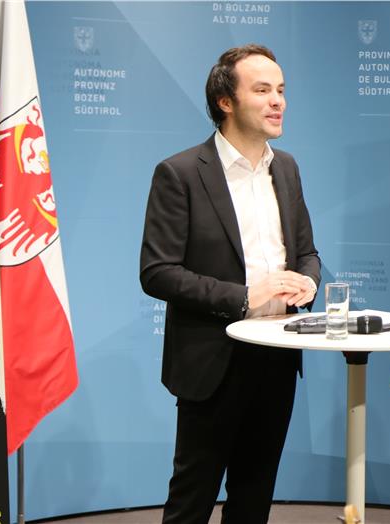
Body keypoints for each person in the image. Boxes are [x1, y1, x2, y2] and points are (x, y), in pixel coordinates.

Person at [139, 44, 320, 524]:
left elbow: (307, 253)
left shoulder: (287, 168)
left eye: (281, 90)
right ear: (226, 101)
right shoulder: (180, 173)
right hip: (212, 361)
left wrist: (307, 282)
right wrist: (244, 297)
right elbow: (157, 271)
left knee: (253, 501)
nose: (277, 101)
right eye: (262, 90)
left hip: (277, 356)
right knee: (191, 504)